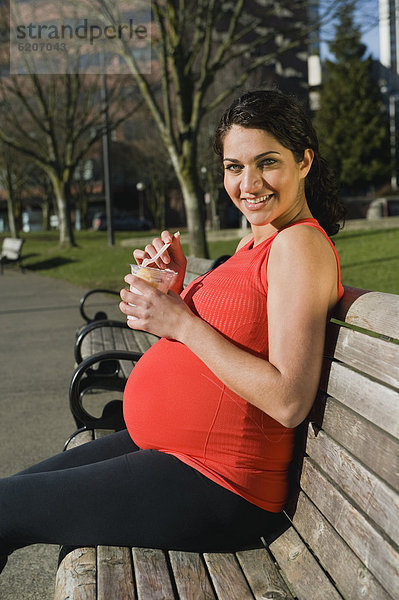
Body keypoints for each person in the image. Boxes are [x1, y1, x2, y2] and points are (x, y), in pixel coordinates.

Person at [0, 90, 345, 574]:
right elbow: (226, 342)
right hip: (171, 454)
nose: (248, 183)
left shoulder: (299, 246)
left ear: (304, 161)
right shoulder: (258, 241)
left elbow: (289, 400)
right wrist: (174, 295)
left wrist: (180, 322)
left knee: (5, 509)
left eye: (267, 162)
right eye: (233, 166)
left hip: (218, 483)